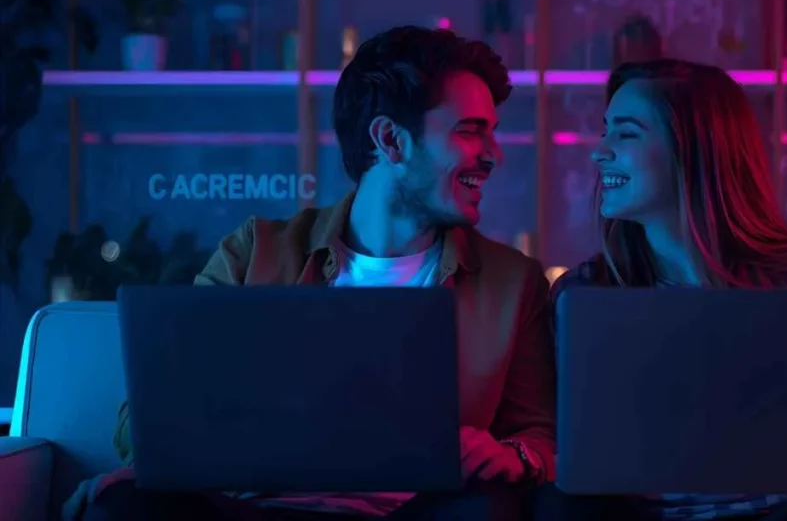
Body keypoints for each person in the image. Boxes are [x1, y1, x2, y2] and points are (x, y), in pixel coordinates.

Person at [69, 26, 555, 521]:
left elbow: (542, 435)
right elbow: (143, 421)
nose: (493, 153)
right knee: (121, 506)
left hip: (416, 513)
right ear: (390, 139)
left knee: (486, 509)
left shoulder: (513, 283)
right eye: (470, 130)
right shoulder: (255, 251)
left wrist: (512, 455)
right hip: (254, 509)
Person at [535, 59, 787, 521]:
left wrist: (777, 456)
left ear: (693, 150)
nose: (600, 152)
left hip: (786, 514)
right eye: (605, 131)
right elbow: (555, 449)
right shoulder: (583, 295)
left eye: (627, 132)